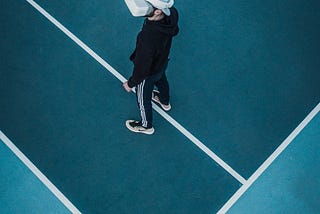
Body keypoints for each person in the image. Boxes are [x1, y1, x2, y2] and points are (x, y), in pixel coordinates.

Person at [123, 0, 179, 135]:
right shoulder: (172, 13)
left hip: (148, 73)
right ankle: (164, 101)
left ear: (158, 11)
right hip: (162, 61)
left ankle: (146, 125)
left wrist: (131, 83)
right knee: (161, 79)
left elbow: (142, 68)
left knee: (143, 98)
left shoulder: (147, 38)